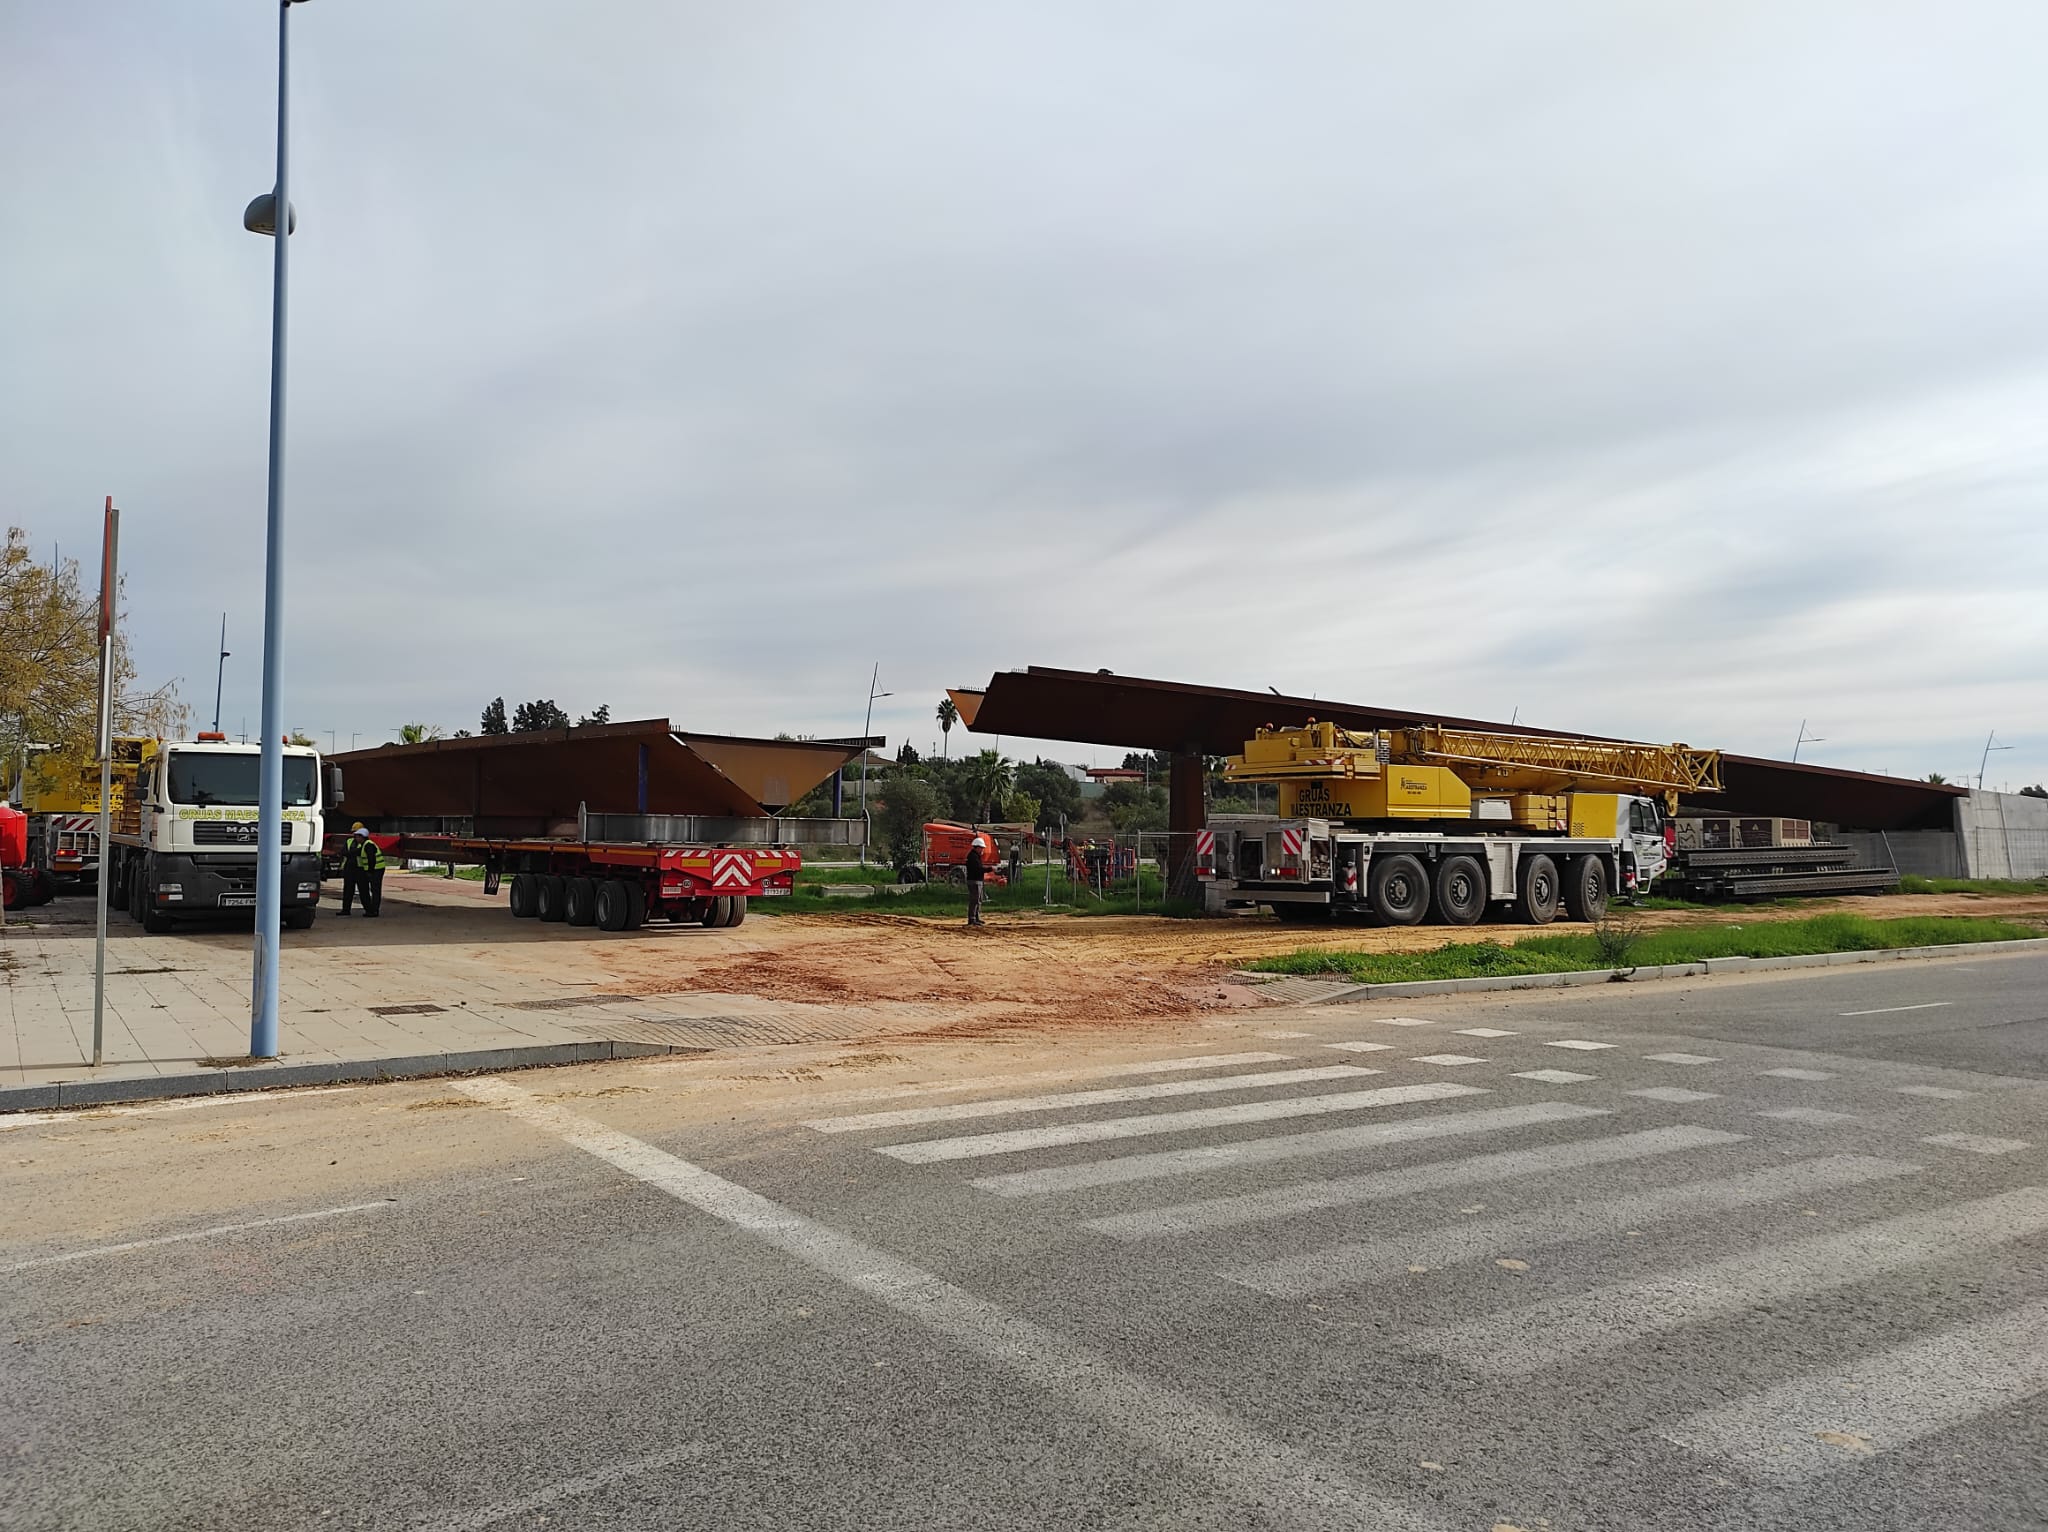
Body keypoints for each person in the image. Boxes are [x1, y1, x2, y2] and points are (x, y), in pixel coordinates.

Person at [342, 824, 386, 918]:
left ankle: (373, 911)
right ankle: (370, 910)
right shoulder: (354, 842)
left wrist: (370, 871)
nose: (355, 836)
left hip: (372, 869)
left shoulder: (367, 845)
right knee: (349, 889)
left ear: (362, 836)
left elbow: (371, 859)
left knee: (372, 890)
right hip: (354, 869)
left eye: (357, 835)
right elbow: (345, 852)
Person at [965, 833, 987, 928]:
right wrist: (990, 869)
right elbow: (978, 869)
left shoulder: (975, 856)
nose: (982, 849)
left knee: (978, 900)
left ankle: (976, 917)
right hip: (974, 881)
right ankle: (972, 919)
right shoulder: (973, 857)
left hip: (977, 881)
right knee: (974, 900)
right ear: (977, 847)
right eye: (981, 848)